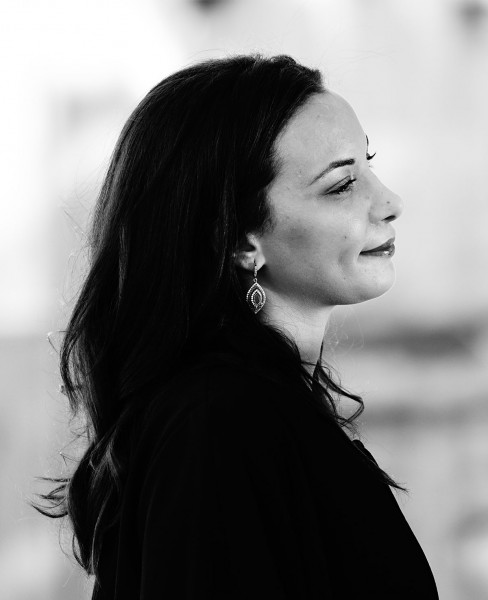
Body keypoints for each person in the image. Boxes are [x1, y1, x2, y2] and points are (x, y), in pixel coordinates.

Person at [33, 54, 439, 599]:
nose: (390, 202)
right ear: (241, 241)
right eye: (341, 185)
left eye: (368, 165)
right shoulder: (221, 424)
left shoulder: (255, 412)